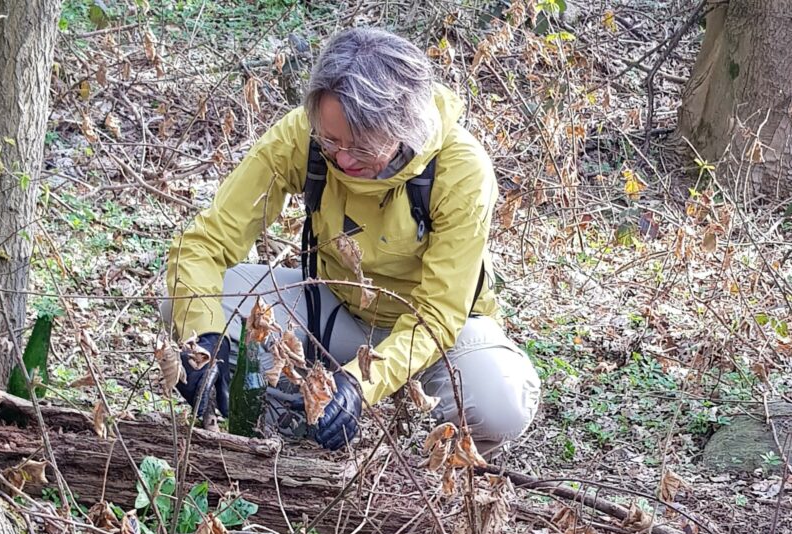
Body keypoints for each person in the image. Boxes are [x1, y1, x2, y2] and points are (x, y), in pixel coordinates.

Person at [162, 27, 539, 455]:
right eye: (330, 141)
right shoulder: (300, 137)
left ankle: (451, 462)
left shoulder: (460, 169)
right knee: (195, 302)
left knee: (500, 402)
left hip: (437, 336)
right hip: (335, 311)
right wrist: (203, 341)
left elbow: (437, 314)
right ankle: (280, 420)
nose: (340, 158)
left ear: (404, 128)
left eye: (360, 147)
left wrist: (360, 383)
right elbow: (204, 244)